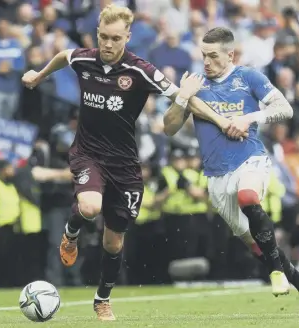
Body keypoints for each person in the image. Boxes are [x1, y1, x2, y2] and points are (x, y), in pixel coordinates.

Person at [21, 5, 246, 321]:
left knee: (113, 243)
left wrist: (221, 121)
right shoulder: (85, 59)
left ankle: (102, 299)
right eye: (103, 37)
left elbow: (183, 97)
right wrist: (39, 73)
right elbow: (64, 55)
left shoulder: (141, 70)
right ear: (97, 34)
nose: (108, 45)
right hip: (87, 152)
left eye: (115, 38)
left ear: (127, 37)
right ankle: (71, 234)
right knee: (88, 207)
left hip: (125, 165)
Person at [163, 27, 299, 317]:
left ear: (229, 54)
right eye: (203, 56)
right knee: (258, 245)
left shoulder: (248, 77)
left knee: (248, 196)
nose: (206, 62)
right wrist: (182, 97)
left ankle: (275, 272)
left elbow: (285, 108)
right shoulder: (196, 85)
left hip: (251, 159)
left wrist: (249, 117)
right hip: (217, 177)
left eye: (212, 56)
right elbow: (169, 128)